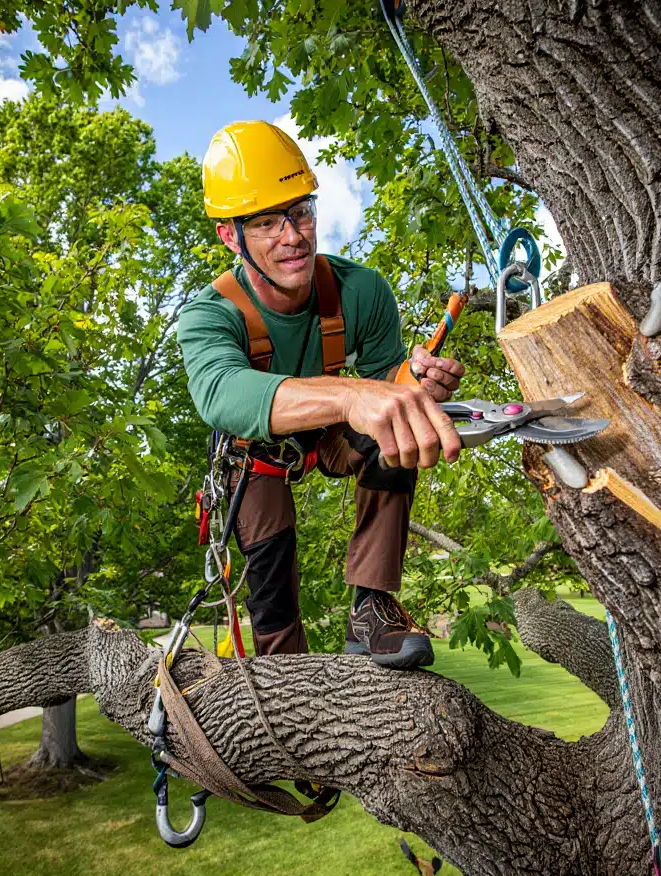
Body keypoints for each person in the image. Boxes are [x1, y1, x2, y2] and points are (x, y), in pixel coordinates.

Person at [177, 121, 465, 669]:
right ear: (230, 236)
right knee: (272, 593)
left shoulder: (361, 291)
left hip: (334, 438)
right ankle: (288, 683)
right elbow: (222, 394)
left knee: (394, 426)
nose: (293, 236)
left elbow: (384, 381)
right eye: (267, 222)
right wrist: (354, 397)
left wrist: (412, 382)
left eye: (300, 212)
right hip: (257, 457)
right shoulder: (209, 315)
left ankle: (372, 607)